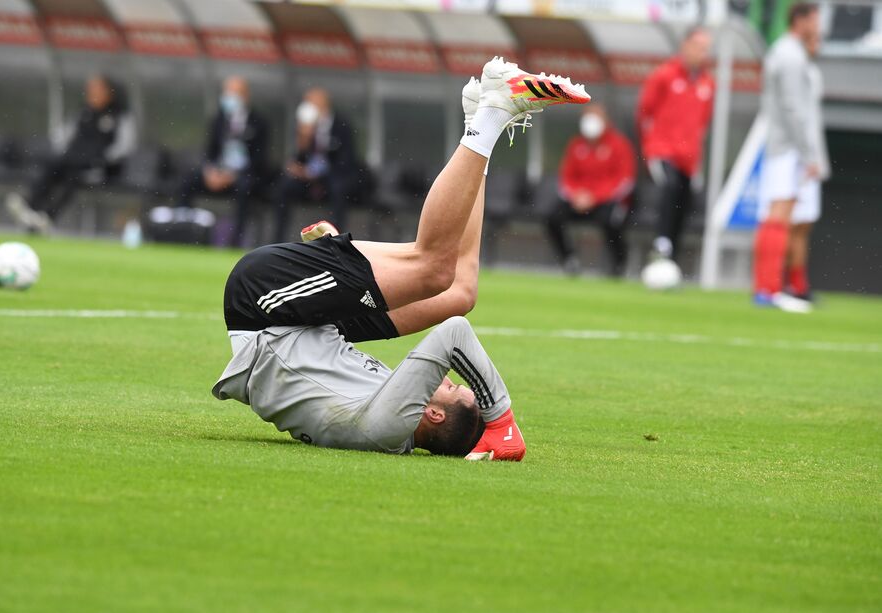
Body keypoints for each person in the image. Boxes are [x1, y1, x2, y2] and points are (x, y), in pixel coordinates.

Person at [212, 58, 591, 461]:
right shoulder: (390, 429)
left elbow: (454, 335)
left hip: (263, 305)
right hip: (308, 322)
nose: (447, 378)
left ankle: (496, 109)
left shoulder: (388, 425)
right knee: (458, 291)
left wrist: (500, 421)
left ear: (433, 413)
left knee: (433, 268)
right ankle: (480, 124)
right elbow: (454, 317)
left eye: (453, 388)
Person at [754, 3, 827, 312]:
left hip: (785, 146)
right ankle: (769, 289)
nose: (818, 27)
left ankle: (770, 288)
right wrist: (809, 154)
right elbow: (794, 110)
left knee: (782, 214)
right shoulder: (790, 55)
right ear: (800, 20)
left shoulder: (787, 52)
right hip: (789, 147)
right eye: (815, 20)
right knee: (779, 214)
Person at [6, 75, 136, 233]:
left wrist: (102, 160)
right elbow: (62, 135)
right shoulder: (84, 111)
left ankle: (47, 216)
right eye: (90, 89)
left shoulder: (119, 115)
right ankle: (30, 206)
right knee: (53, 166)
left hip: (101, 167)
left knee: (74, 178)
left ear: (109, 92)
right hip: (74, 160)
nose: (91, 93)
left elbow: (124, 145)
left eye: (96, 90)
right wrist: (67, 153)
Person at [636, 26, 714, 264]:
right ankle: (661, 241)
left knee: (685, 201)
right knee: (669, 187)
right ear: (685, 46)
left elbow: (703, 122)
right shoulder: (664, 75)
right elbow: (644, 112)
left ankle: (670, 257)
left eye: (705, 49)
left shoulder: (708, 83)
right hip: (663, 151)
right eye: (699, 47)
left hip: (689, 158)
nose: (702, 53)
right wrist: (650, 146)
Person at [173, 76, 270, 248]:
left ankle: (235, 242)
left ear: (245, 96)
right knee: (186, 181)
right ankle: (183, 232)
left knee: (245, 188)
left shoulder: (259, 122)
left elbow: (259, 159)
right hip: (217, 173)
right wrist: (210, 172)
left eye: (234, 92)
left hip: (242, 176)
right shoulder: (218, 119)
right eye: (227, 92)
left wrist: (231, 176)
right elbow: (209, 152)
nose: (229, 96)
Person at [543, 103, 636, 276]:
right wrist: (577, 195)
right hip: (578, 201)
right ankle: (569, 260)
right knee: (552, 217)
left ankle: (618, 267)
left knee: (611, 222)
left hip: (607, 201)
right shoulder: (576, 145)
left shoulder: (619, 144)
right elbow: (566, 177)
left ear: (605, 119)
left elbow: (625, 181)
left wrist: (595, 197)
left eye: (596, 116)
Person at [272, 88, 367, 242]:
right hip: (308, 179)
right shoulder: (304, 126)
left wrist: (317, 173)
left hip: (332, 177)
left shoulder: (341, 125)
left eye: (312, 102)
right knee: (284, 187)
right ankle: (278, 240)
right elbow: (300, 157)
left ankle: (336, 241)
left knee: (338, 189)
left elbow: (346, 161)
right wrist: (303, 143)